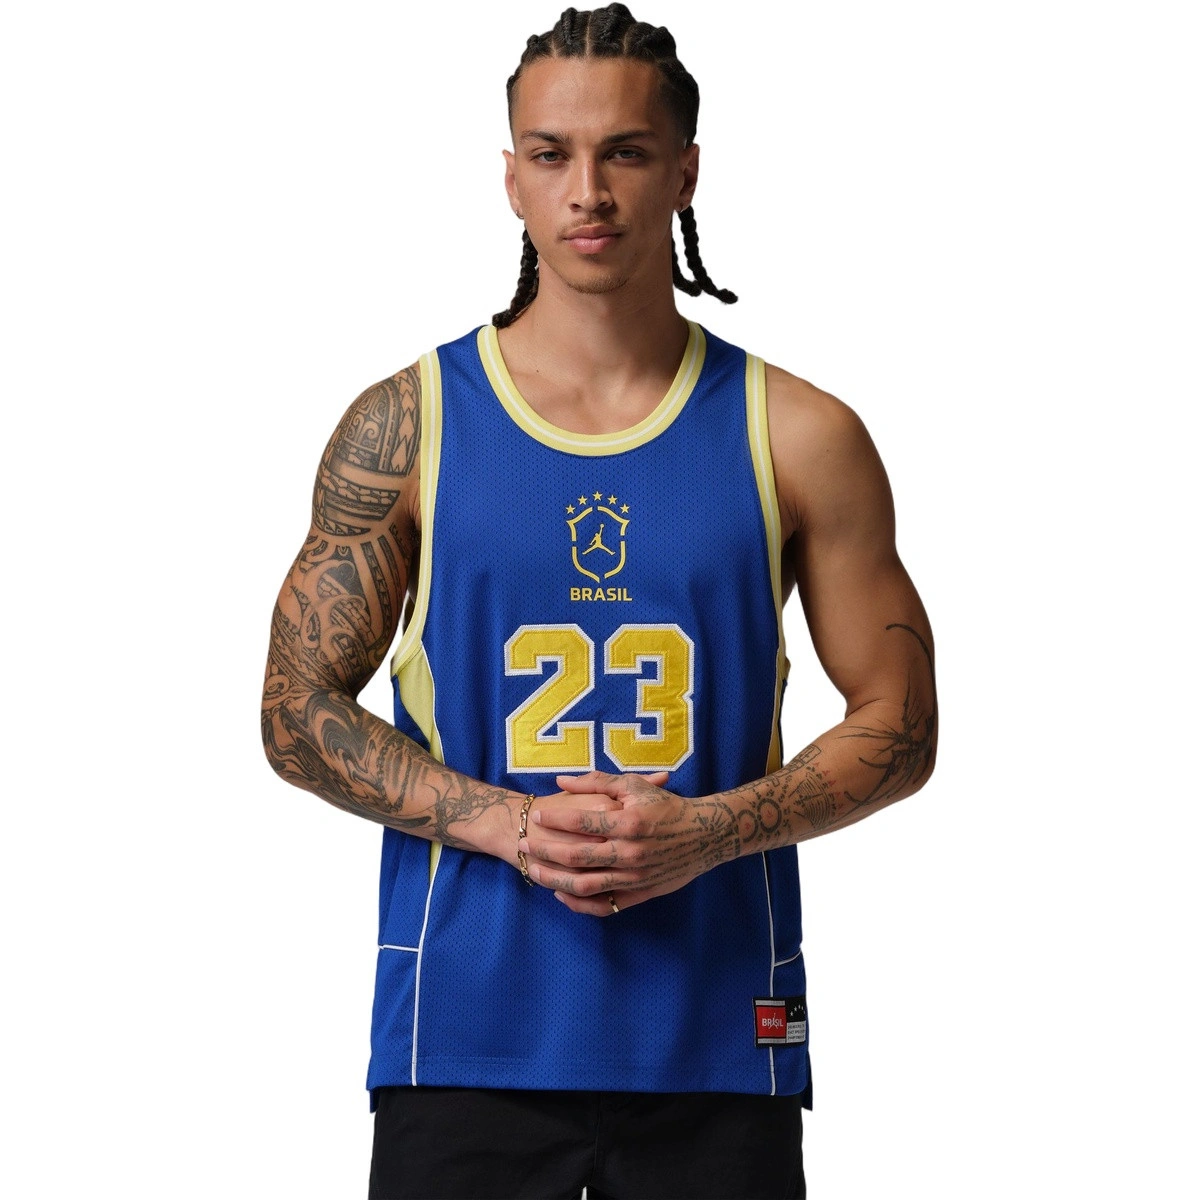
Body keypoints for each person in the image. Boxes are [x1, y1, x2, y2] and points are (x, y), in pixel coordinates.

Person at [261, 5, 937, 1197]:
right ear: (510, 178)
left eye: (625, 152)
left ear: (684, 172)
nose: (588, 191)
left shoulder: (797, 432)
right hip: (460, 1039)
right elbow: (293, 706)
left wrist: (709, 831)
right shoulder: (408, 424)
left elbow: (903, 720)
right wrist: (505, 824)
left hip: (720, 1036)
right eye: (551, 153)